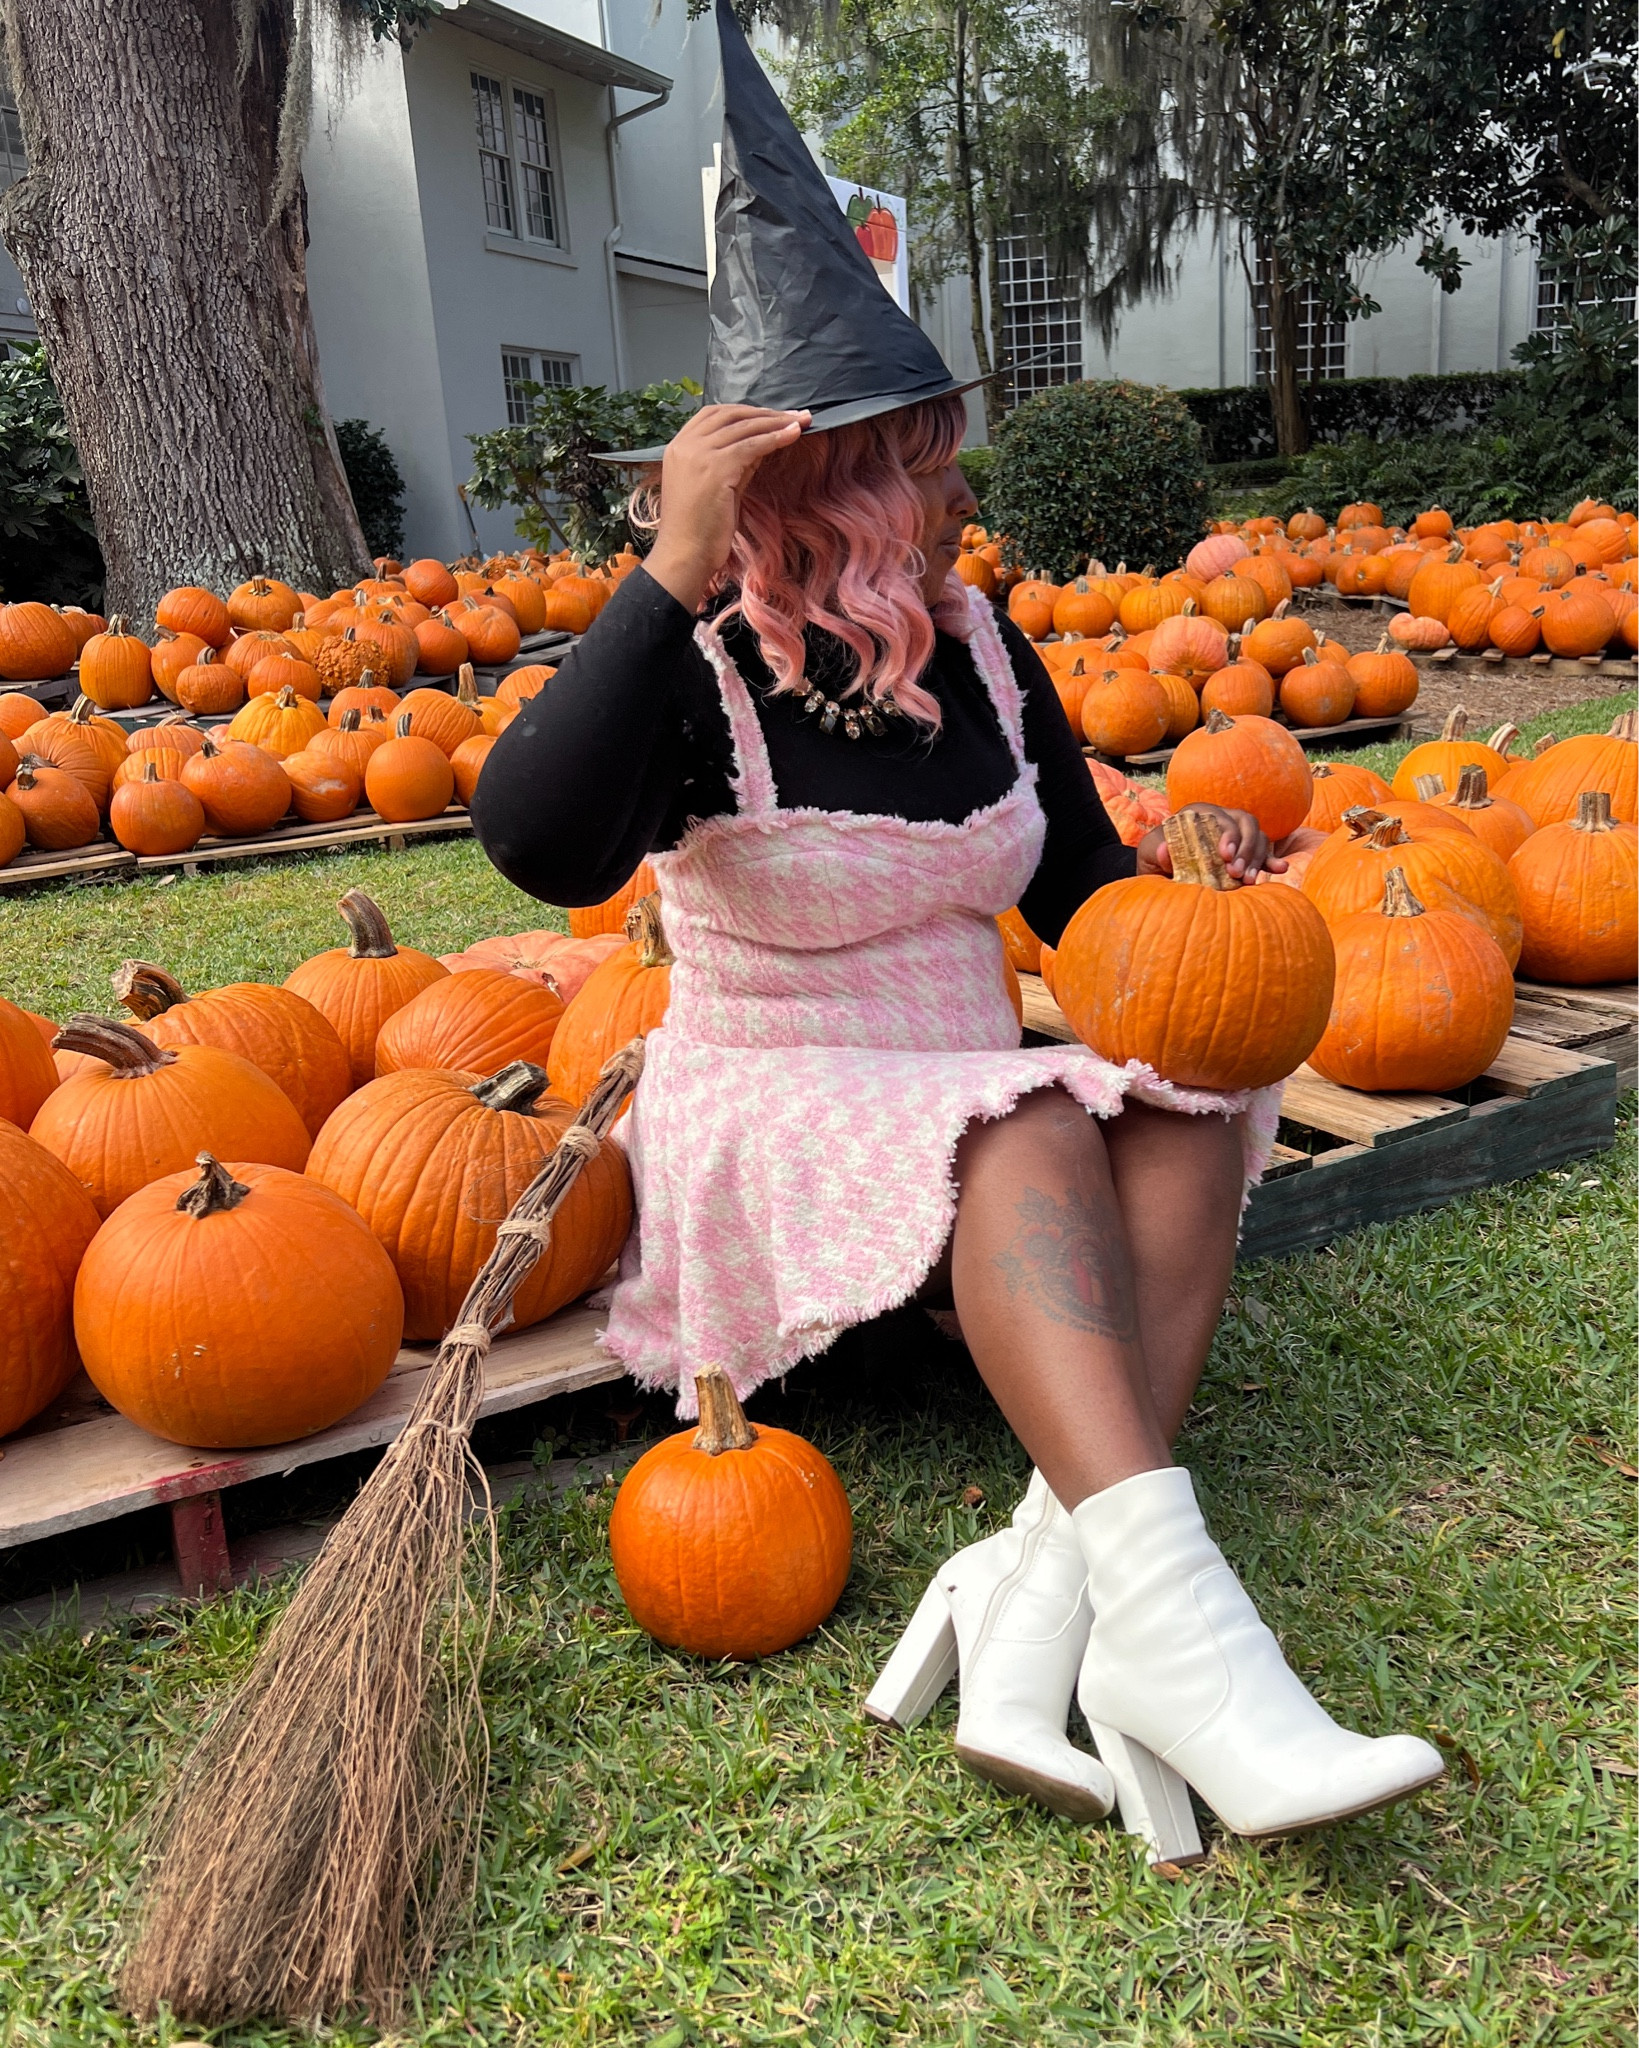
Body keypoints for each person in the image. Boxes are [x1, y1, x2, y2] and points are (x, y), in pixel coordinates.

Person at [472, 0, 1442, 1868]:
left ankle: (1045, 1600)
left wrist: (1198, 863)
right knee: (1030, 1115)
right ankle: (1197, 1651)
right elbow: (530, 840)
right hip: (778, 1105)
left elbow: (1080, 896)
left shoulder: (981, 655)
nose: (953, 492)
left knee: (1178, 1095)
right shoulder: (701, 673)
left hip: (973, 1092)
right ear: (822, 490)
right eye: (919, 461)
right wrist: (665, 569)